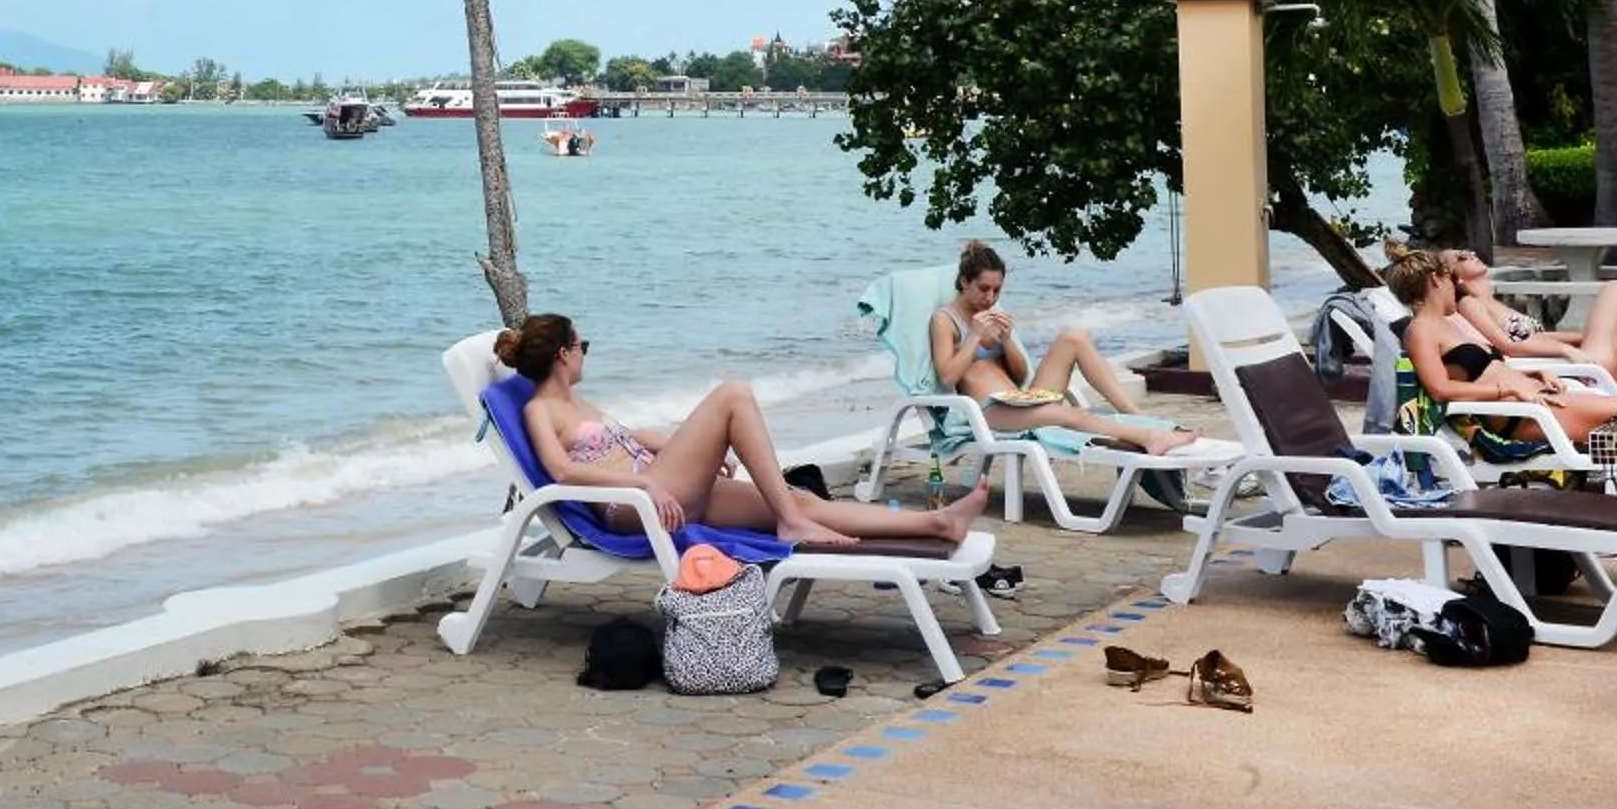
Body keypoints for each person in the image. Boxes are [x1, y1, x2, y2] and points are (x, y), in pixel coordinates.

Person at [500, 315, 989, 548]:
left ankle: (937, 524)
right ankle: (791, 525)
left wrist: (690, 449)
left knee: (798, 499)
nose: (586, 350)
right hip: (634, 507)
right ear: (564, 354)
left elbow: (630, 438)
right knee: (733, 393)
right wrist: (645, 482)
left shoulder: (577, 402)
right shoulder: (540, 410)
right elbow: (562, 471)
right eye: (582, 343)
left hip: (666, 487)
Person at [929, 241, 1200, 456]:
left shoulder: (993, 313)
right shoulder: (945, 320)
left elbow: (1020, 375)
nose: (990, 298)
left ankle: (1136, 417)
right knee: (1070, 414)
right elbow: (948, 377)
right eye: (983, 289)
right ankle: (1149, 438)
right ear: (964, 282)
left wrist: (1008, 340)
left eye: (997, 291)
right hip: (988, 411)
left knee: (1074, 337)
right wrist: (975, 336)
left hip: (1021, 400)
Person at [1382, 248, 1617, 458]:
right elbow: (1440, 390)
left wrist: (1535, 371)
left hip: (1533, 399)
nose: (1454, 288)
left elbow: (1487, 368)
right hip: (1519, 413)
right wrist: (1508, 390)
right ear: (1436, 280)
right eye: (1450, 281)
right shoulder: (1420, 330)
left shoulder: (1446, 324)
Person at [1442, 246, 1617, 385]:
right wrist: (1568, 349)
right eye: (1462, 257)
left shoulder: (1490, 303)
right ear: (1456, 278)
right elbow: (1507, 347)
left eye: (1468, 251)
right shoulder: (1469, 304)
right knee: (1616, 289)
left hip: (1583, 364)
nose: (1471, 253)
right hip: (1575, 371)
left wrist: (1585, 336)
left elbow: (1537, 339)